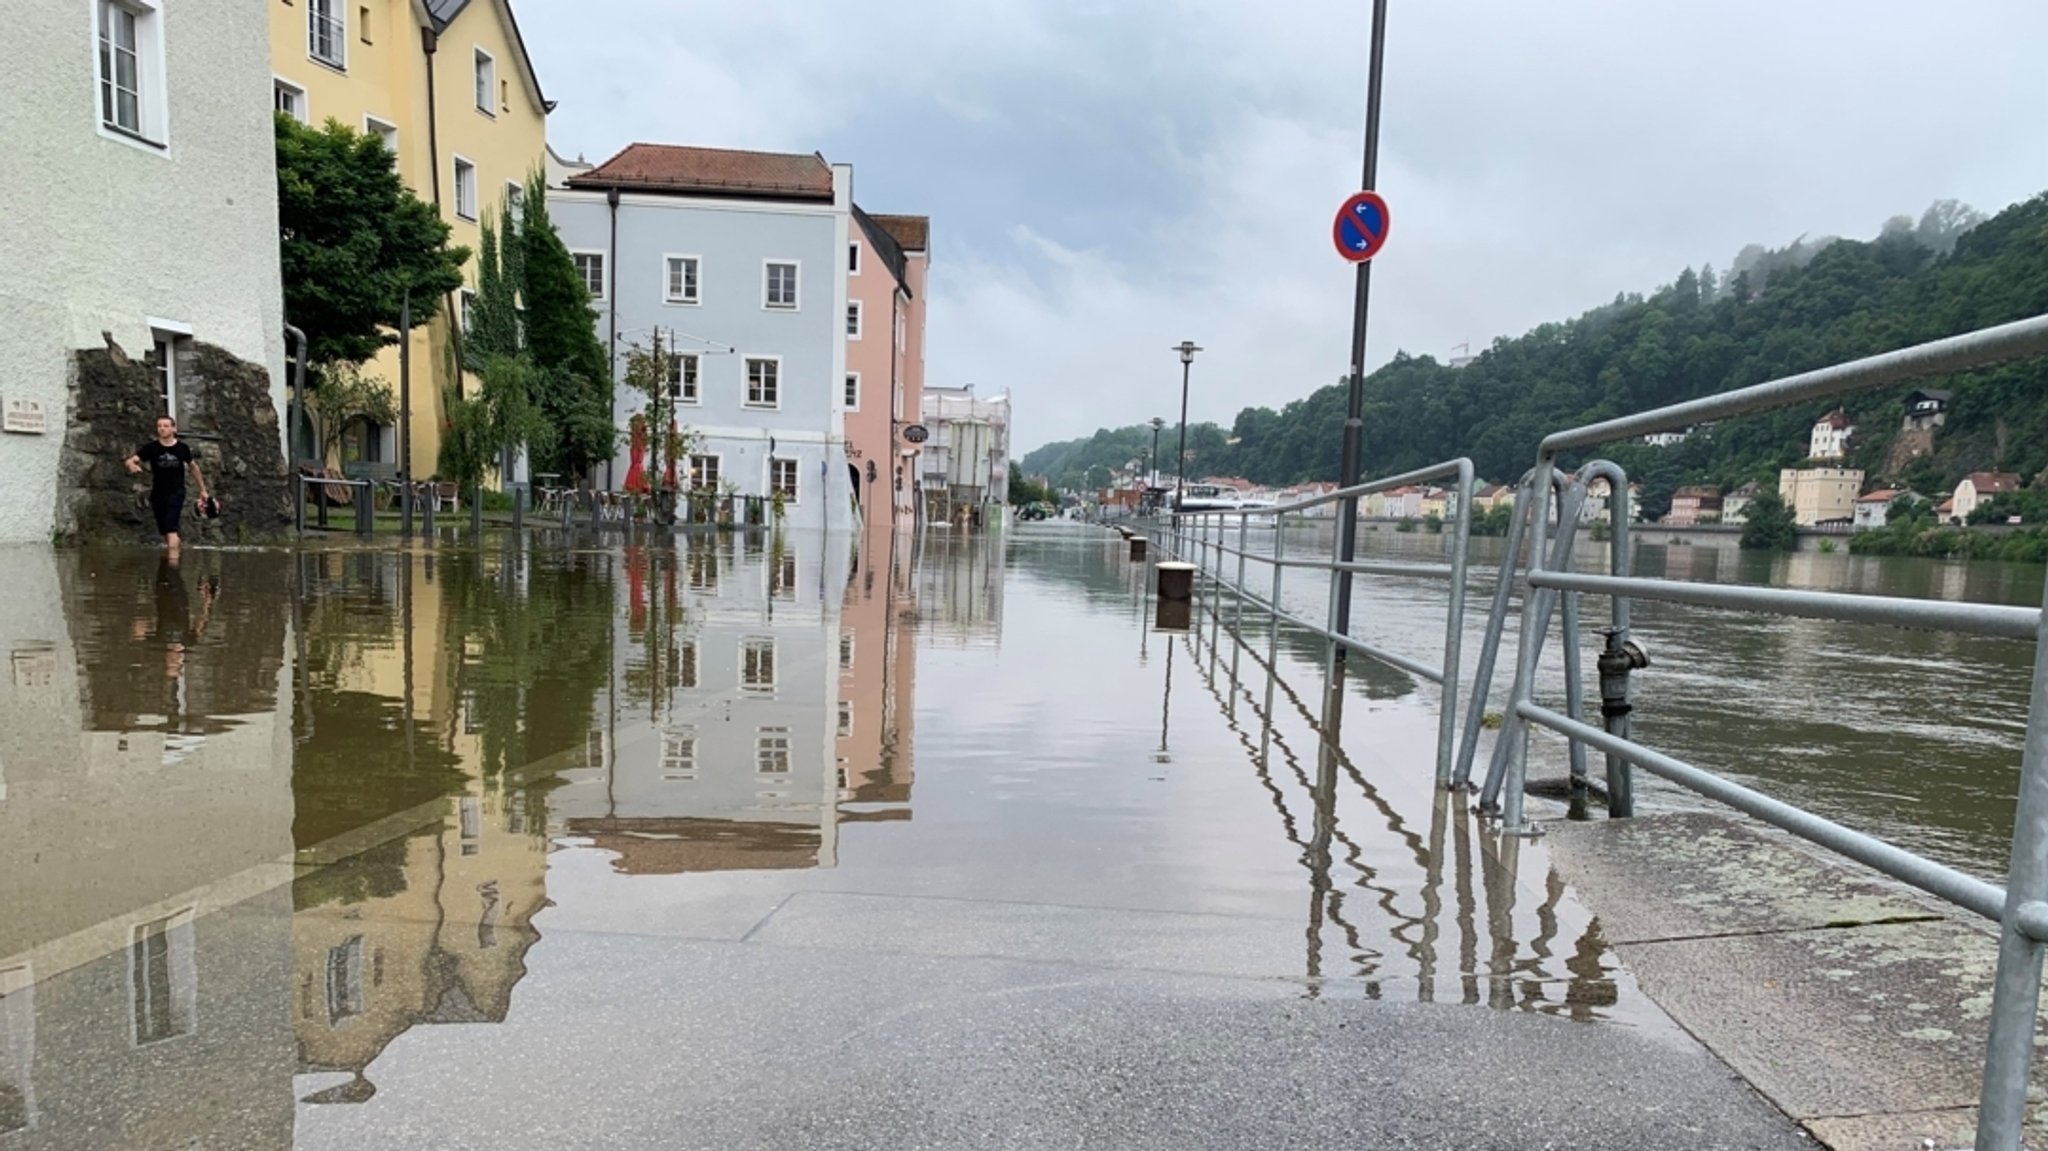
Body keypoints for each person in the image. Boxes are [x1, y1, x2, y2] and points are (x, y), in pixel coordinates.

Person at [125, 416, 208, 551]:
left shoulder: (182, 448)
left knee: (171, 527)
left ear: (173, 428)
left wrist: (202, 490)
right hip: (158, 493)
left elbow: (194, 467)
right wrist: (132, 466)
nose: (162, 429)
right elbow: (130, 460)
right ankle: (176, 552)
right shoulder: (152, 448)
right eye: (159, 426)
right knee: (164, 531)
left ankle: (172, 565)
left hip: (176, 492)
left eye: (166, 426)